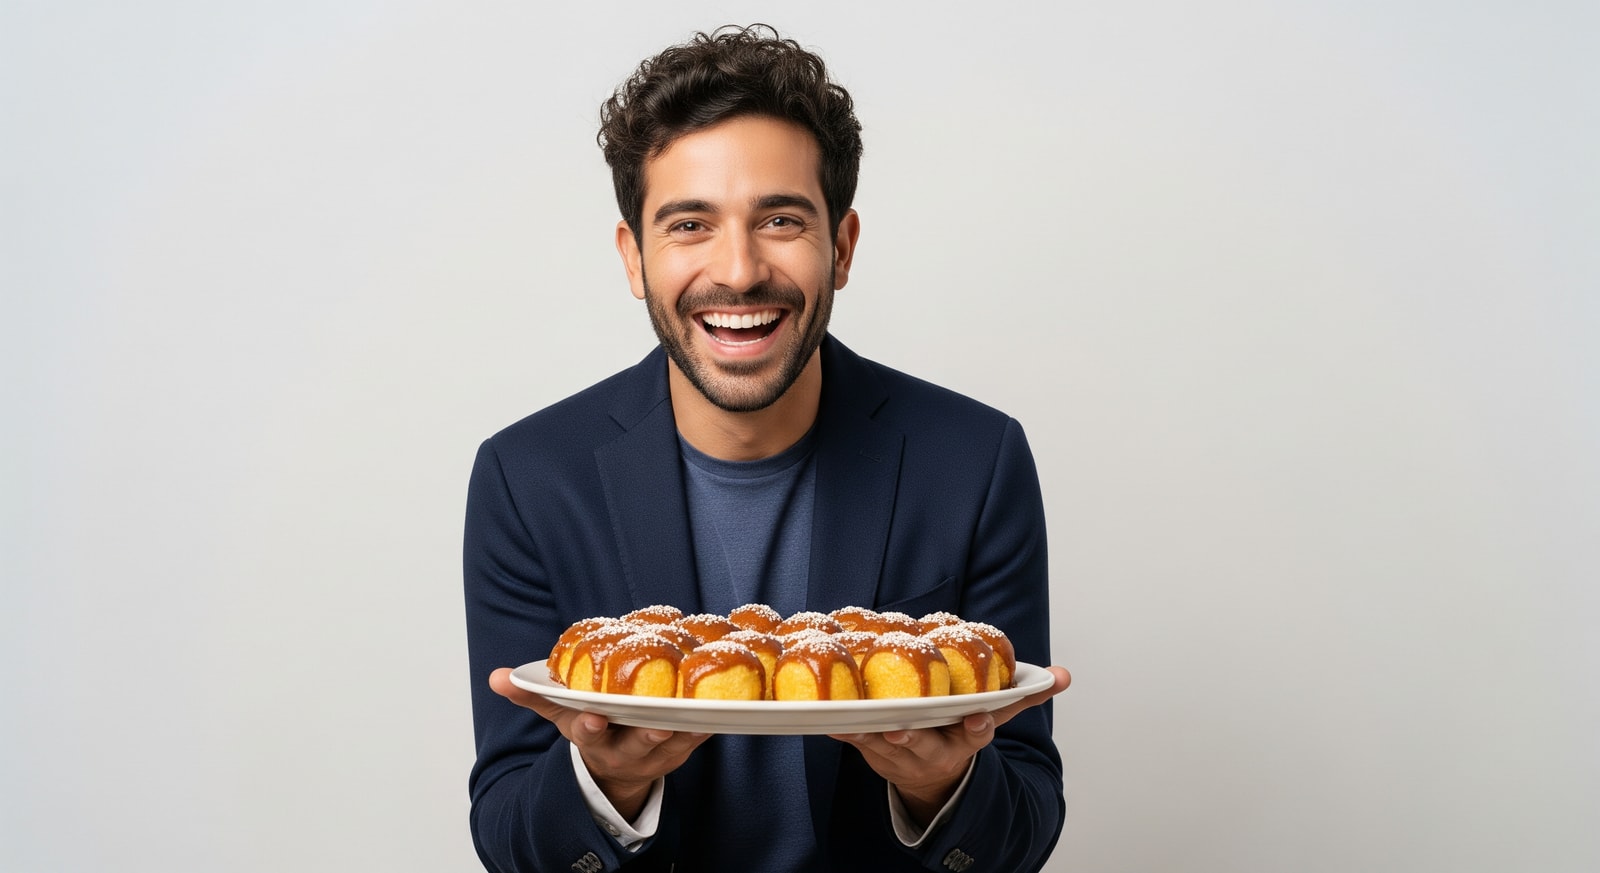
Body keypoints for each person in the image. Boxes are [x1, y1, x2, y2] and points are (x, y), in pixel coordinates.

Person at [463, 24, 1072, 873]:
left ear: (843, 247)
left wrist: (941, 788)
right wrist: (606, 784)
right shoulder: (528, 478)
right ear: (634, 256)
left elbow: (1027, 817)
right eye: (689, 225)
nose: (740, 270)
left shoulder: (974, 461)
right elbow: (510, 832)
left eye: (780, 218)